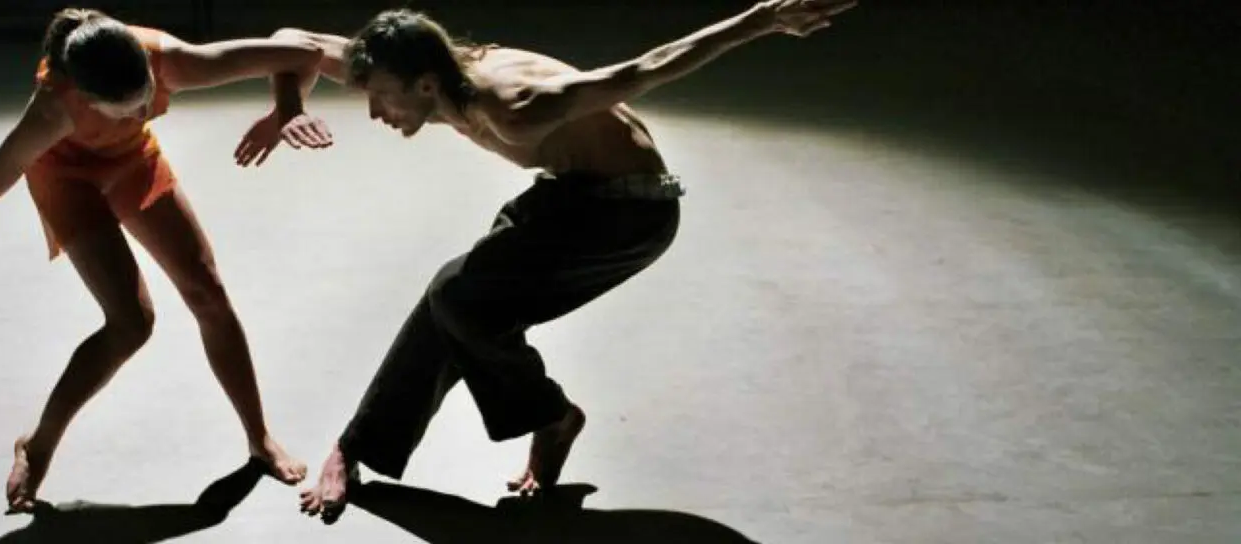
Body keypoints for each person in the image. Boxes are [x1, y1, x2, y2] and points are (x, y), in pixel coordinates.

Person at [232, 0, 857, 520]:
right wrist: (289, 108)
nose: (374, 113)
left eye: (382, 100)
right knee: (452, 297)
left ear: (425, 85)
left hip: (630, 215)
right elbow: (290, 42)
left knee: (460, 298)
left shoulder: (512, 102)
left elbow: (644, 69)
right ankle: (357, 447)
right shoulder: (418, 67)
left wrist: (761, 19)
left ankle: (553, 418)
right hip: (567, 192)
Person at [0, 7, 335, 514]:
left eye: (146, 101)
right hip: (66, 180)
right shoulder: (51, 112)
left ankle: (259, 438)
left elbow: (303, 52)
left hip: (132, 162)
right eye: (126, 111)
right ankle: (38, 444)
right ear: (85, 98)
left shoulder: (172, 62)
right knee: (132, 323)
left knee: (208, 293)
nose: (142, 114)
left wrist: (286, 110)